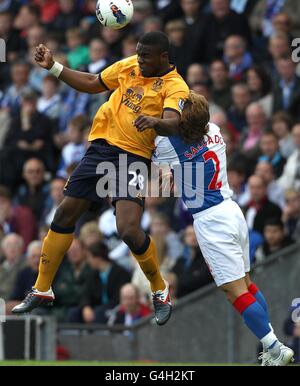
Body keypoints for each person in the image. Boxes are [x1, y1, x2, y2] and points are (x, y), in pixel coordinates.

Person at [12, 31, 189, 327]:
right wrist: (55, 67)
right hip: (100, 147)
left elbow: (173, 121)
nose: (140, 60)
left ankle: (159, 288)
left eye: (146, 56)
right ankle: (42, 287)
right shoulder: (130, 64)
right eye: (138, 53)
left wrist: (157, 122)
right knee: (65, 213)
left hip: (132, 156)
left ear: (163, 57)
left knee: (129, 230)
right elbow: (95, 83)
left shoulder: (175, 86)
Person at [152, 91, 294, 365]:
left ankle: (274, 347)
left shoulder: (170, 143)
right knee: (247, 284)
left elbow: (154, 146)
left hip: (211, 220)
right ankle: (272, 346)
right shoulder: (214, 129)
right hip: (231, 210)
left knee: (234, 291)